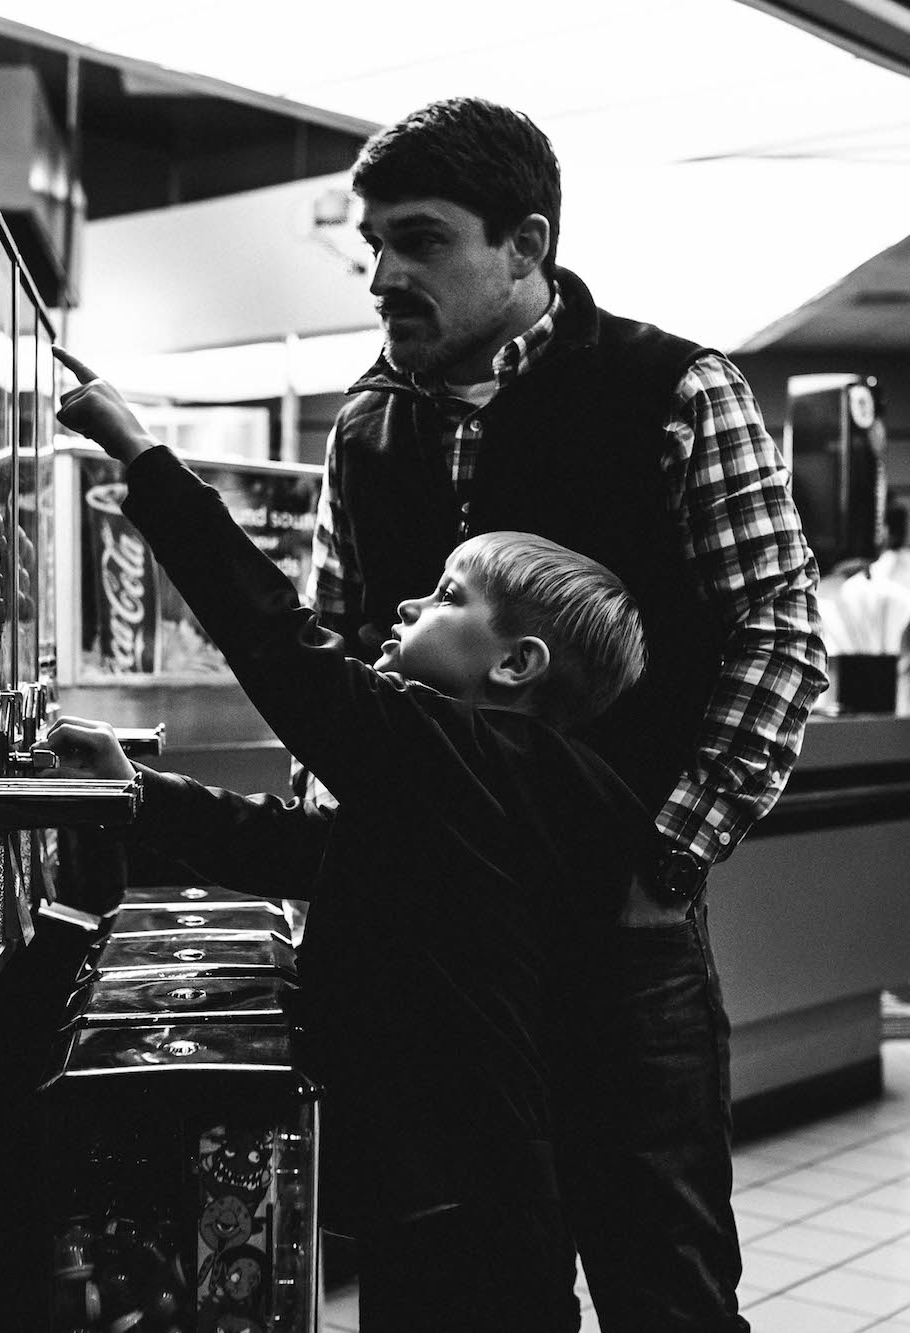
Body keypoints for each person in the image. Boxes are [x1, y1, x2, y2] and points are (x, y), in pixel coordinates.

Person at [313, 95, 825, 1331]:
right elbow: (330, 651)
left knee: (666, 1284)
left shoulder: (672, 388)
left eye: (421, 239)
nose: (383, 272)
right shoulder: (363, 425)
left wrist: (666, 859)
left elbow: (778, 633)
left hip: (617, 936)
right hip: (433, 945)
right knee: (459, 1292)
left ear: (525, 244)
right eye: (371, 241)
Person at [44, 347, 658, 1332]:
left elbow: (283, 652)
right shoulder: (495, 781)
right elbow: (307, 849)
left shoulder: (461, 753)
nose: (412, 603)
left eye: (449, 598)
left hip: (464, 1200)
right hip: (470, 1194)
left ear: (517, 665)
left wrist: (142, 457)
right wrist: (136, 794)